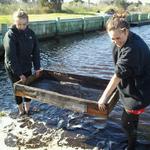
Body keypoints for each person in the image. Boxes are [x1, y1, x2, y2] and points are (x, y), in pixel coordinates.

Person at [98, 14, 150, 150]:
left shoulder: (133, 49)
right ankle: (133, 136)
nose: (116, 41)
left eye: (118, 38)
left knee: (126, 123)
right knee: (132, 121)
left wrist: (104, 97)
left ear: (126, 31)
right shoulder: (127, 38)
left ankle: (131, 146)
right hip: (134, 82)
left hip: (139, 90)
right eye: (112, 39)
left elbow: (118, 75)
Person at [3, 9, 41, 116]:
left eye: (24, 24)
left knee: (28, 88)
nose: (21, 27)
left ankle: (28, 110)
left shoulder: (31, 34)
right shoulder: (10, 35)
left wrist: (37, 67)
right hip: (13, 67)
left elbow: (36, 52)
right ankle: (21, 110)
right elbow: (11, 57)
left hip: (26, 64)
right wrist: (19, 74)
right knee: (18, 89)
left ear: (27, 22)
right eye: (19, 24)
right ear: (15, 22)